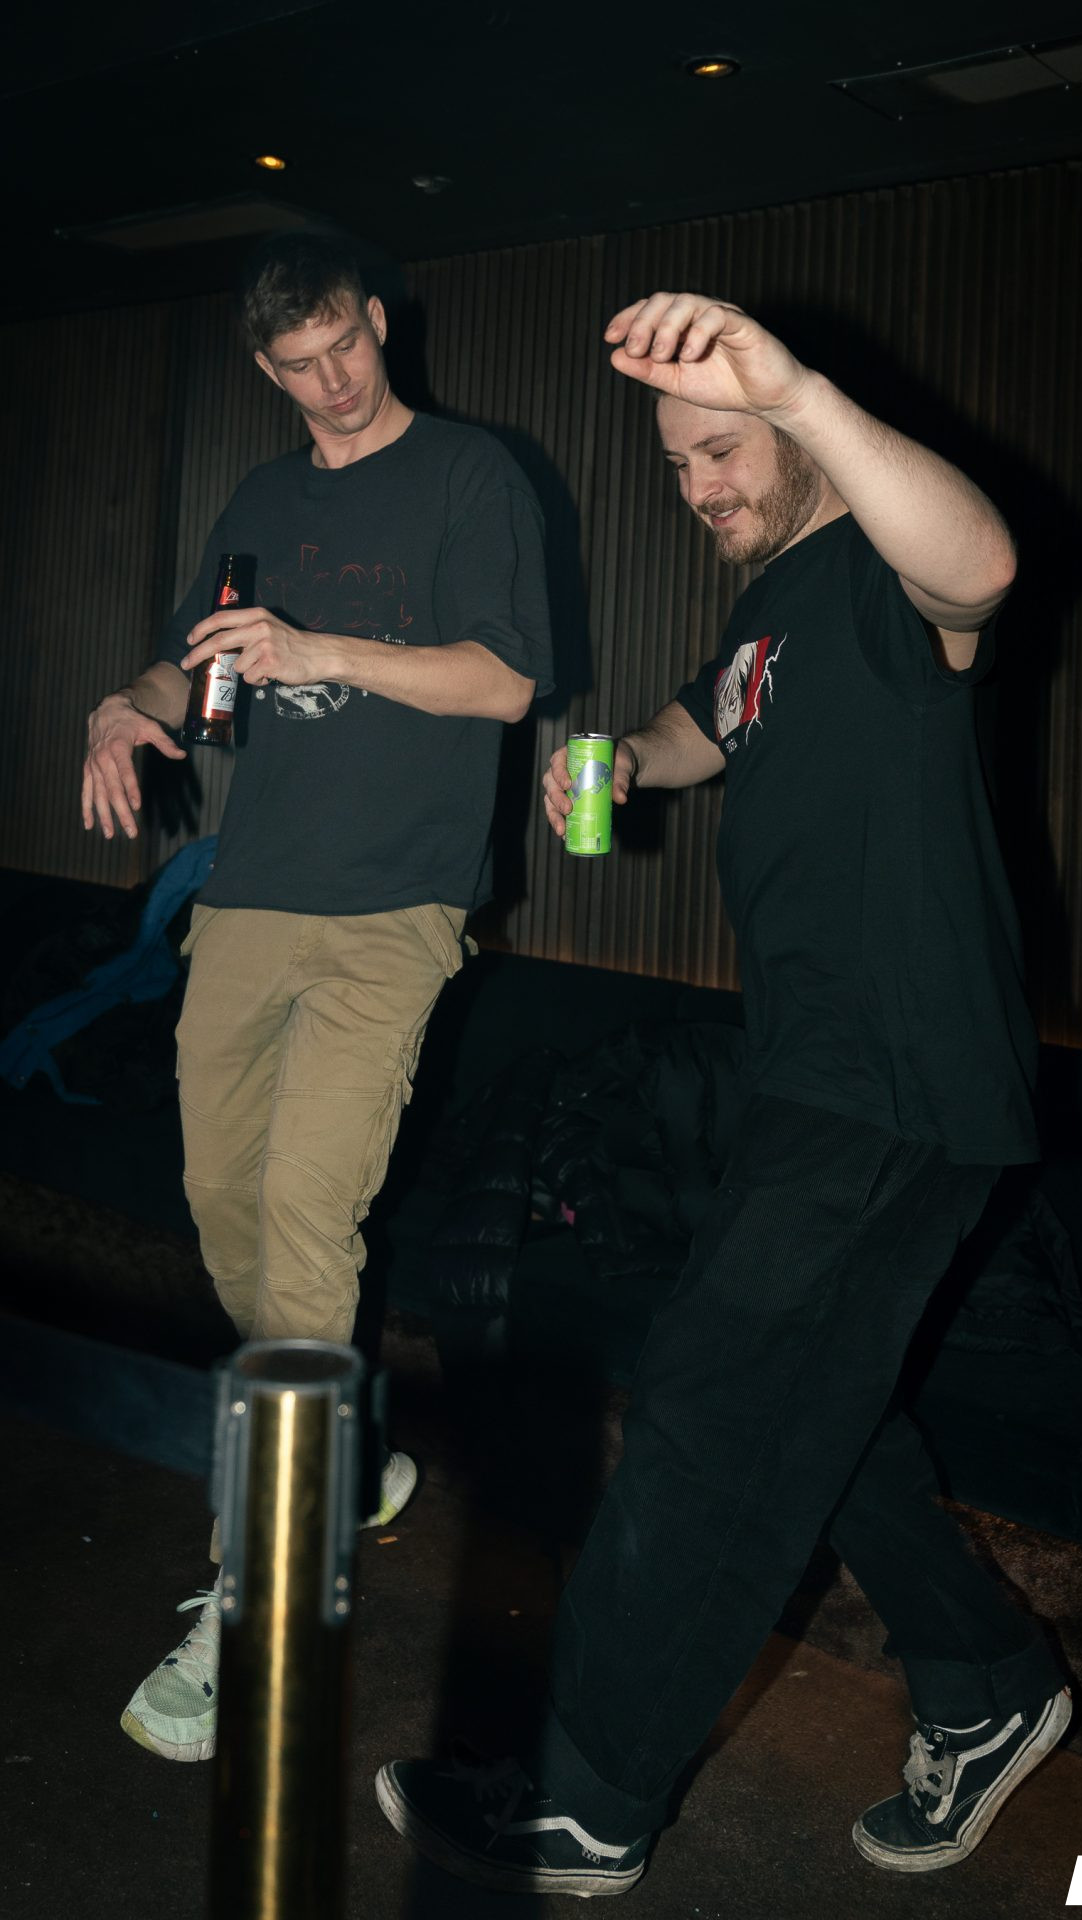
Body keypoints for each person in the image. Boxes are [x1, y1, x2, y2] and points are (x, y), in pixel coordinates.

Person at [375, 291, 1071, 1894]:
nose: (698, 484)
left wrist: (801, 392)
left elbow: (980, 568)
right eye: (679, 462)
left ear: (796, 429)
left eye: (722, 450)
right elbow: (712, 718)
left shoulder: (885, 568)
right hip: (815, 1065)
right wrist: (625, 754)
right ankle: (989, 1683)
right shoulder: (773, 612)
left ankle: (585, 1803)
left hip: (898, 1070)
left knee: (707, 1403)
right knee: (813, 1406)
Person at [80, 232, 554, 1763]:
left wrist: (318, 645)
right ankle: (338, 1450)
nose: (332, 380)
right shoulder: (262, 500)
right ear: (267, 369)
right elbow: (195, 670)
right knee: (222, 1198)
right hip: (251, 899)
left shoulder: (472, 475)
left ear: (379, 323)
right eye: (300, 365)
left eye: (346, 345)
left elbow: (506, 681)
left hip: (393, 914)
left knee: (304, 1218)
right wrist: (126, 705)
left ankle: (262, 1590)